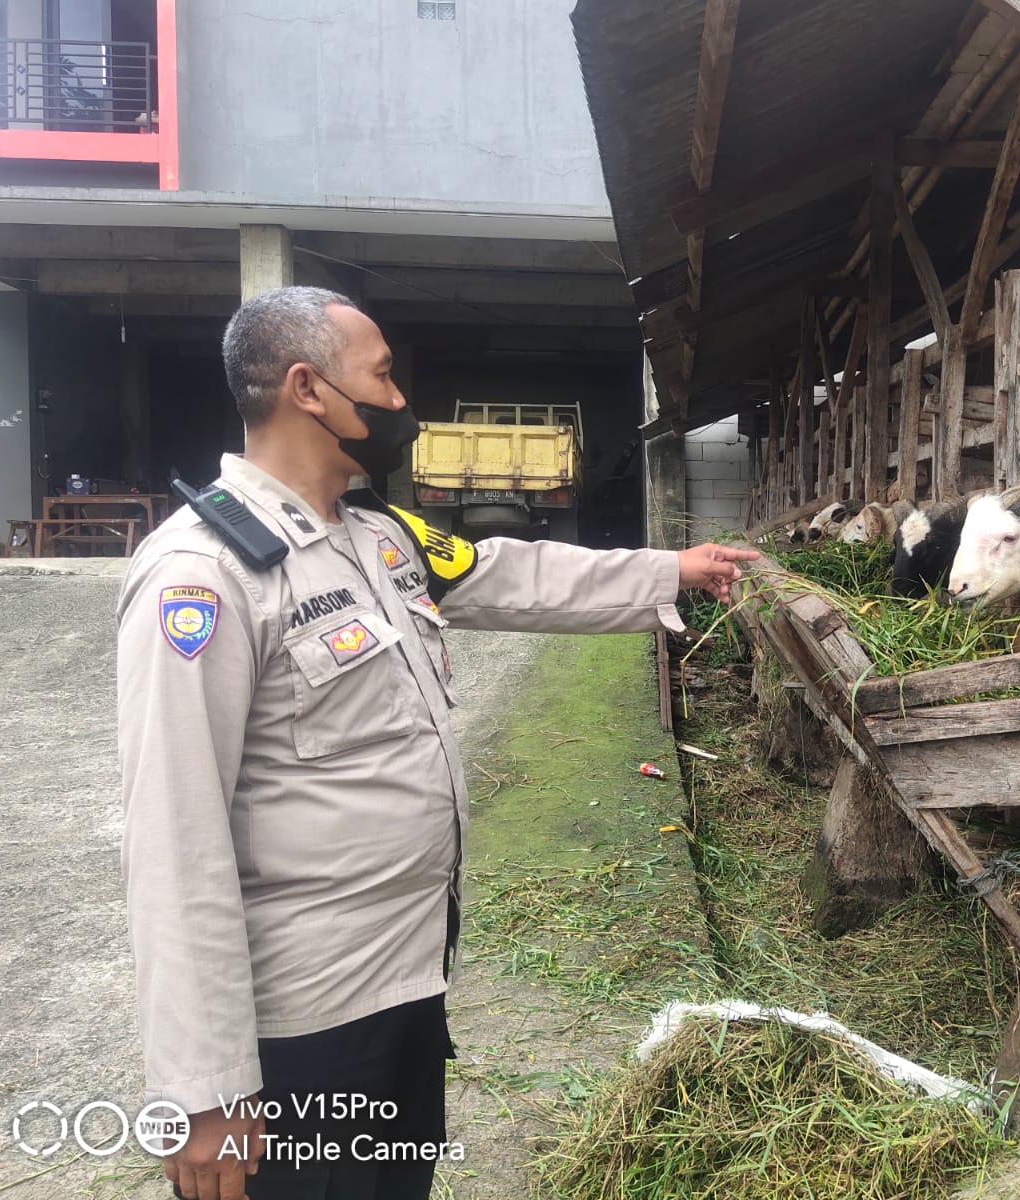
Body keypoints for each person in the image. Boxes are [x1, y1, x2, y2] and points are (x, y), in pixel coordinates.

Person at [117, 286, 755, 1200]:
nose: (399, 403)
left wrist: (675, 569)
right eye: (381, 378)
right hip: (301, 1025)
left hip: (408, 980)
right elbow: (174, 844)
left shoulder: (376, 535)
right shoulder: (206, 577)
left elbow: (506, 572)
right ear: (307, 388)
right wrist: (203, 1089)